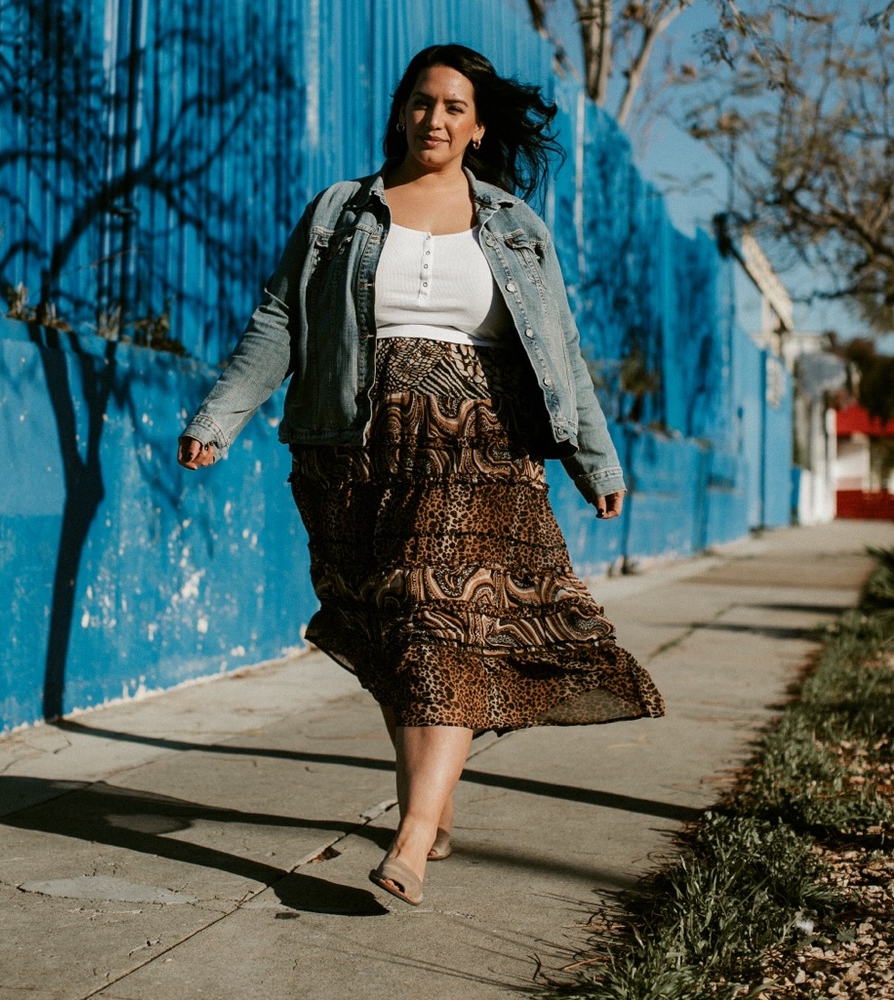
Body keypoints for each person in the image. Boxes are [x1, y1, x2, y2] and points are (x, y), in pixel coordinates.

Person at [178, 43, 664, 907]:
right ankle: (431, 810)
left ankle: (409, 837)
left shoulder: (515, 224)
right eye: (421, 102)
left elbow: (560, 345)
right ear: (402, 110)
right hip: (358, 447)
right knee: (397, 631)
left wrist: (595, 460)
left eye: (453, 108)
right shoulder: (341, 210)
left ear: (479, 130)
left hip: (481, 446)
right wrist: (221, 417)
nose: (434, 119)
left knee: (447, 620)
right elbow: (282, 317)